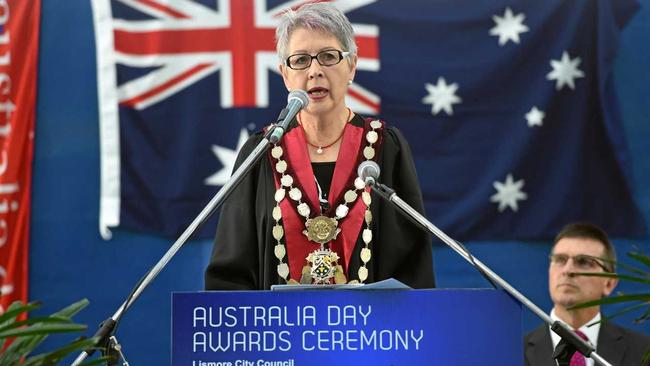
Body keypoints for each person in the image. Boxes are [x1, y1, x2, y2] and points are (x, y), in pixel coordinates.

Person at [204, 3, 434, 290]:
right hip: (277, 332)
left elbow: (413, 268)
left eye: (328, 56)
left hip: (371, 332)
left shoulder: (385, 148)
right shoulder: (262, 153)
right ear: (285, 74)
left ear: (351, 66)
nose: (314, 71)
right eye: (300, 60)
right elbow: (230, 277)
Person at [525, 222, 650, 365]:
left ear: (609, 283)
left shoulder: (643, 352)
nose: (568, 270)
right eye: (560, 260)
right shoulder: (514, 353)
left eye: (584, 262)